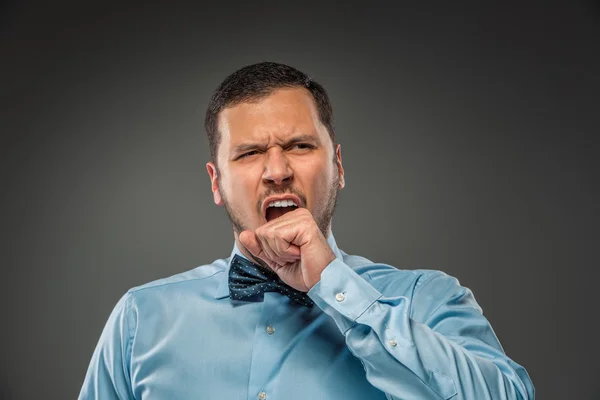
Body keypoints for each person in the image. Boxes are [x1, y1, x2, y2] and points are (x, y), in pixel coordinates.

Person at [79, 62, 535, 400]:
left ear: (338, 165)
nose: (277, 170)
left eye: (299, 146)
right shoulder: (140, 318)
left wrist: (337, 289)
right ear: (216, 183)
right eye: (250, 153)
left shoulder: (427, 299)